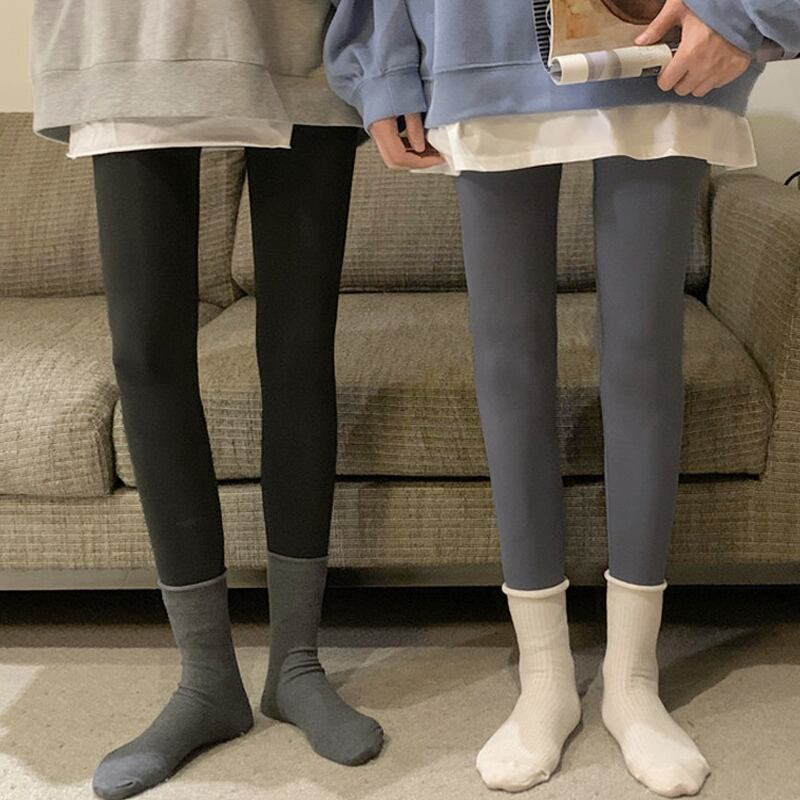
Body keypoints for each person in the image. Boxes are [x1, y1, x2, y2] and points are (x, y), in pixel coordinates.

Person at [324, 0, 800, 796]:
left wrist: (742, 10)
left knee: (645, 352)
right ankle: (544, 674)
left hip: (658, 37)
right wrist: (385, 65)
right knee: (508, 360)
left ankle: (632, 677)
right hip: (479, 35)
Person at [30, 2, 384, 798]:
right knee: (146, 355)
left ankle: (296, 664)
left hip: (299, 34)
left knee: (299, 349)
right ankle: (206, 679)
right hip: (124, 37)